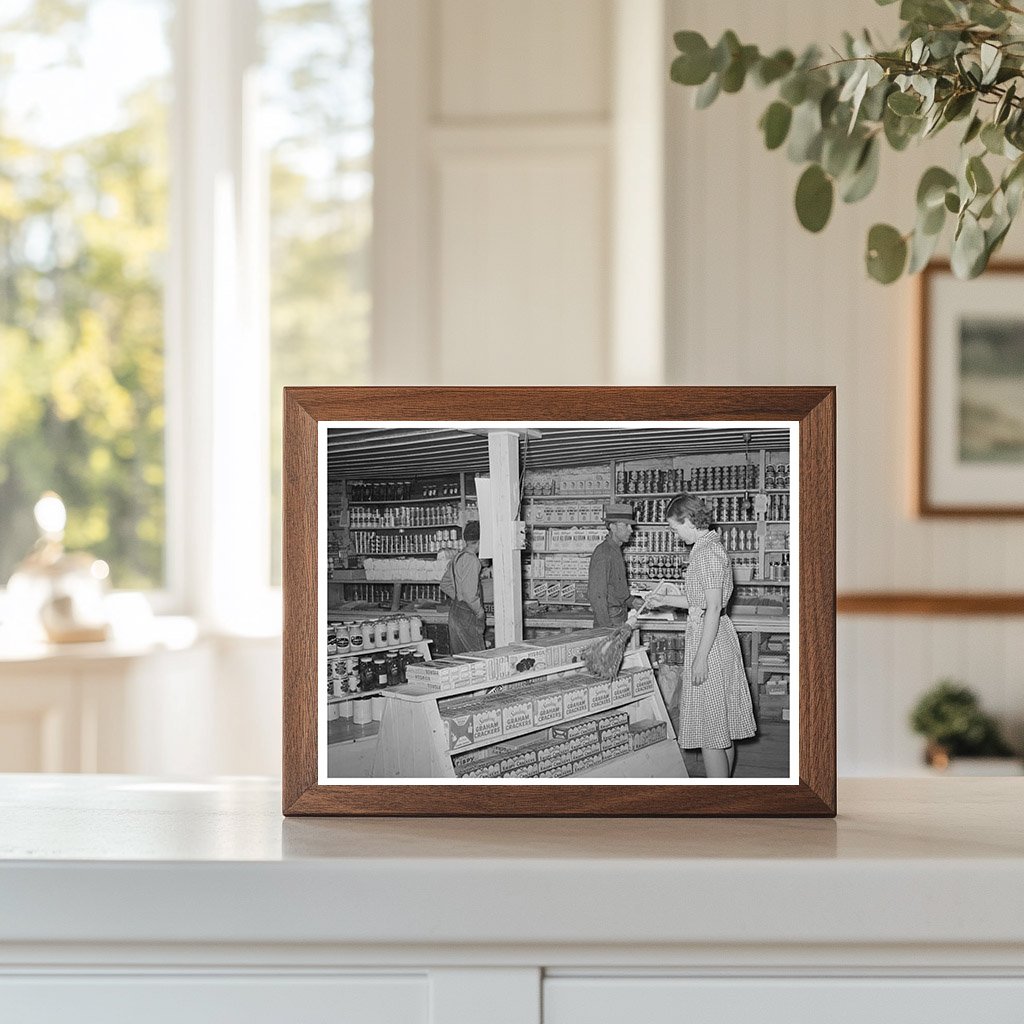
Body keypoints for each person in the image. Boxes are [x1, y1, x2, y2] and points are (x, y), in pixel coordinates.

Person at [645, 493, 756, 778]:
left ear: (689, 521)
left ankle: (716, 796)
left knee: (710, 730)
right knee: (720, 726)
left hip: (711, 642)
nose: (675, 534)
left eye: (675, 528)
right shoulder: (707, 548)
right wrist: (665, 600)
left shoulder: (707, 554)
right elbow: (702, 601)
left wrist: (701, 658)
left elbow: (714, 607)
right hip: (715, 635)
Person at [588, 503, 643, 628]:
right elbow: (597, 595)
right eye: (626, 525)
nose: (631, 530)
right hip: (610, 619)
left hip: (619, 614)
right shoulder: (603, 553)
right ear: (612, 527)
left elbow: (615, 588)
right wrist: (605, 628)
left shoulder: (616, 550)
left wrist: (632, 601)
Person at [447, 520, 485, 654]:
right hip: (468, 614)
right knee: (478, 658)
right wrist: (479, 611)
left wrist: (459, 597)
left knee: (459, 657)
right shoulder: (472, 560)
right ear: (481, 540)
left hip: (455, 611)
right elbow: (469, 594)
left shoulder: (458, 557)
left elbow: (445, 583)